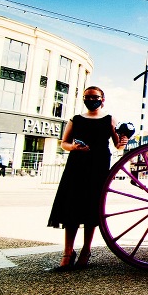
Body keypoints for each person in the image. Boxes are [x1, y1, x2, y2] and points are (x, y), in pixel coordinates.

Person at [47, 86, 126, 270]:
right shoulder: (75, 119)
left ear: (102, 99)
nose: (91, 100)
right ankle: (68, 252)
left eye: (94, 97)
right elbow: (64, 143)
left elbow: (118, 146)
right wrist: (74, 147)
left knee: (92, 208)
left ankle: (85, 250)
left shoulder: (109, 119)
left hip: (98, 165)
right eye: (87, 97)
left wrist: (123, 141)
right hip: (77, 164)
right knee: (71, 207)